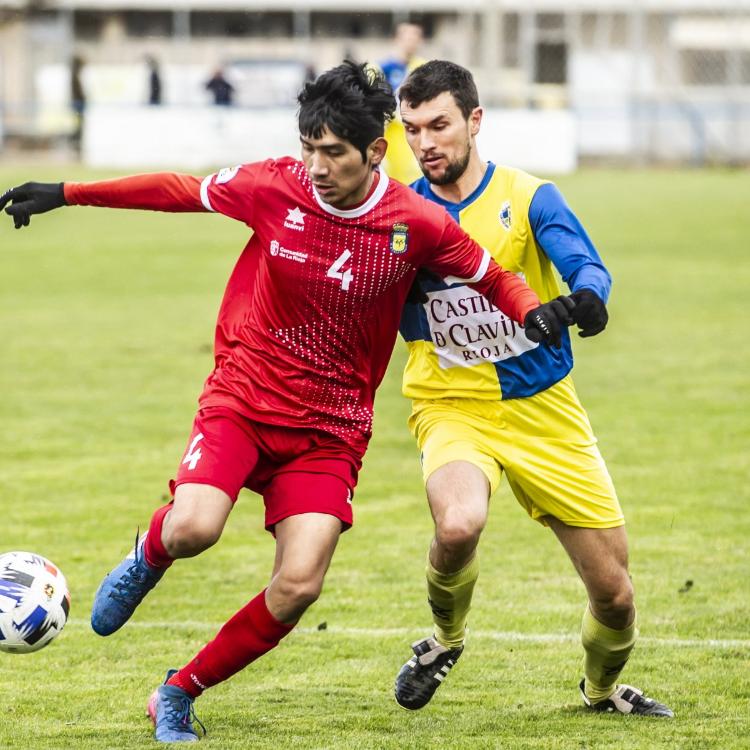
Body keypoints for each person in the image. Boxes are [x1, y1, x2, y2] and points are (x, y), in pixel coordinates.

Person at [0, 61, 574, 743]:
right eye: (309, 147)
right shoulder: (276, 185)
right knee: (194, 529)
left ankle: (178, 691)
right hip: (247, 394)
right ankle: (150, 553)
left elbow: (489, 274)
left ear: (374, 151)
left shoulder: (412, 222)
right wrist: (67, 191)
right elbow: (178, 190)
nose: (317, 165)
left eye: (333, 152)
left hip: (332, 428)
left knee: (299, 584)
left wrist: (534, 312)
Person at [392, 60, 674, 718]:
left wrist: (586, 302)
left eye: (439, 125)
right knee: (458, 523)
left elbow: (584, 265)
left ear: (474, 121)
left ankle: (601, 692)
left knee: (616, 596)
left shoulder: (528, 196)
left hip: (545, 412)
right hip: (452, 404)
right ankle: (444, 641)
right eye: (412, 130)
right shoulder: (399, 213)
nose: (426, 142)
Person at [377, 22, 425, 185]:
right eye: (408, 37)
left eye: (415, 38)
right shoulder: (383, 68)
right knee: (393, 177)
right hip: (392, 132)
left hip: (416, 129)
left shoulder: (423, 67)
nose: (412, 42)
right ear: (397, 39)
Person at [70, 55, 86, 155]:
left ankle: (77, 146)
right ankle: (76, 147)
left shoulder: (76, 76)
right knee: (78, 127)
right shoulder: (75, 76)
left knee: (78, 126)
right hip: (78, 107)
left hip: (78, 106)